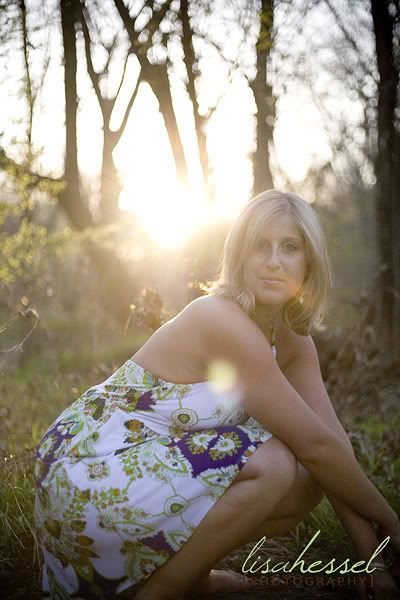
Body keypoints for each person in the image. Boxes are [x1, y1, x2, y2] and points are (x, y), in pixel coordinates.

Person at [34, 190, 400, 600]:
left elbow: (329, 447)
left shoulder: (294, 341)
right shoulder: (219, 318)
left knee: (305, 484)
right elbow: (315, 447)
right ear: (239, 255)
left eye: (290, 247)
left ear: (310, 261)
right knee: (275, 464)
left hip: (136, 476)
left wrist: (374, 563)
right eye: (260, 246)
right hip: (87, 469)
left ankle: (190, 577)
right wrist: (391, 521)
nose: (274, 261)